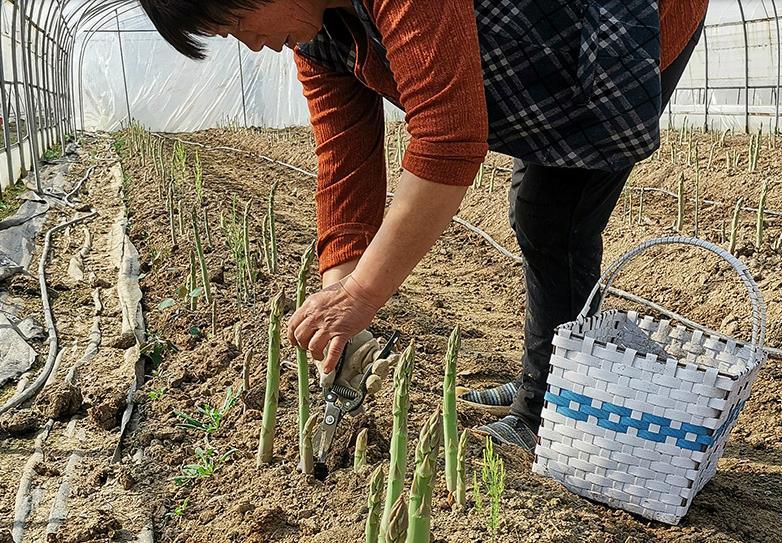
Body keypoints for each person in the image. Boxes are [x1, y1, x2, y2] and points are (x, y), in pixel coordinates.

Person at [140, 0, 709, 451]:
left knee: (551, 216)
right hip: (534, 50)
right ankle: (551, 378)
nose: (251, 43)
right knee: (541, 212)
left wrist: (364, 293)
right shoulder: (318, 41)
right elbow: (346, 163)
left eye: (238, 21)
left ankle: (546, 403)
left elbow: (448, 136)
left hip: (619, 33)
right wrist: (340, 296)